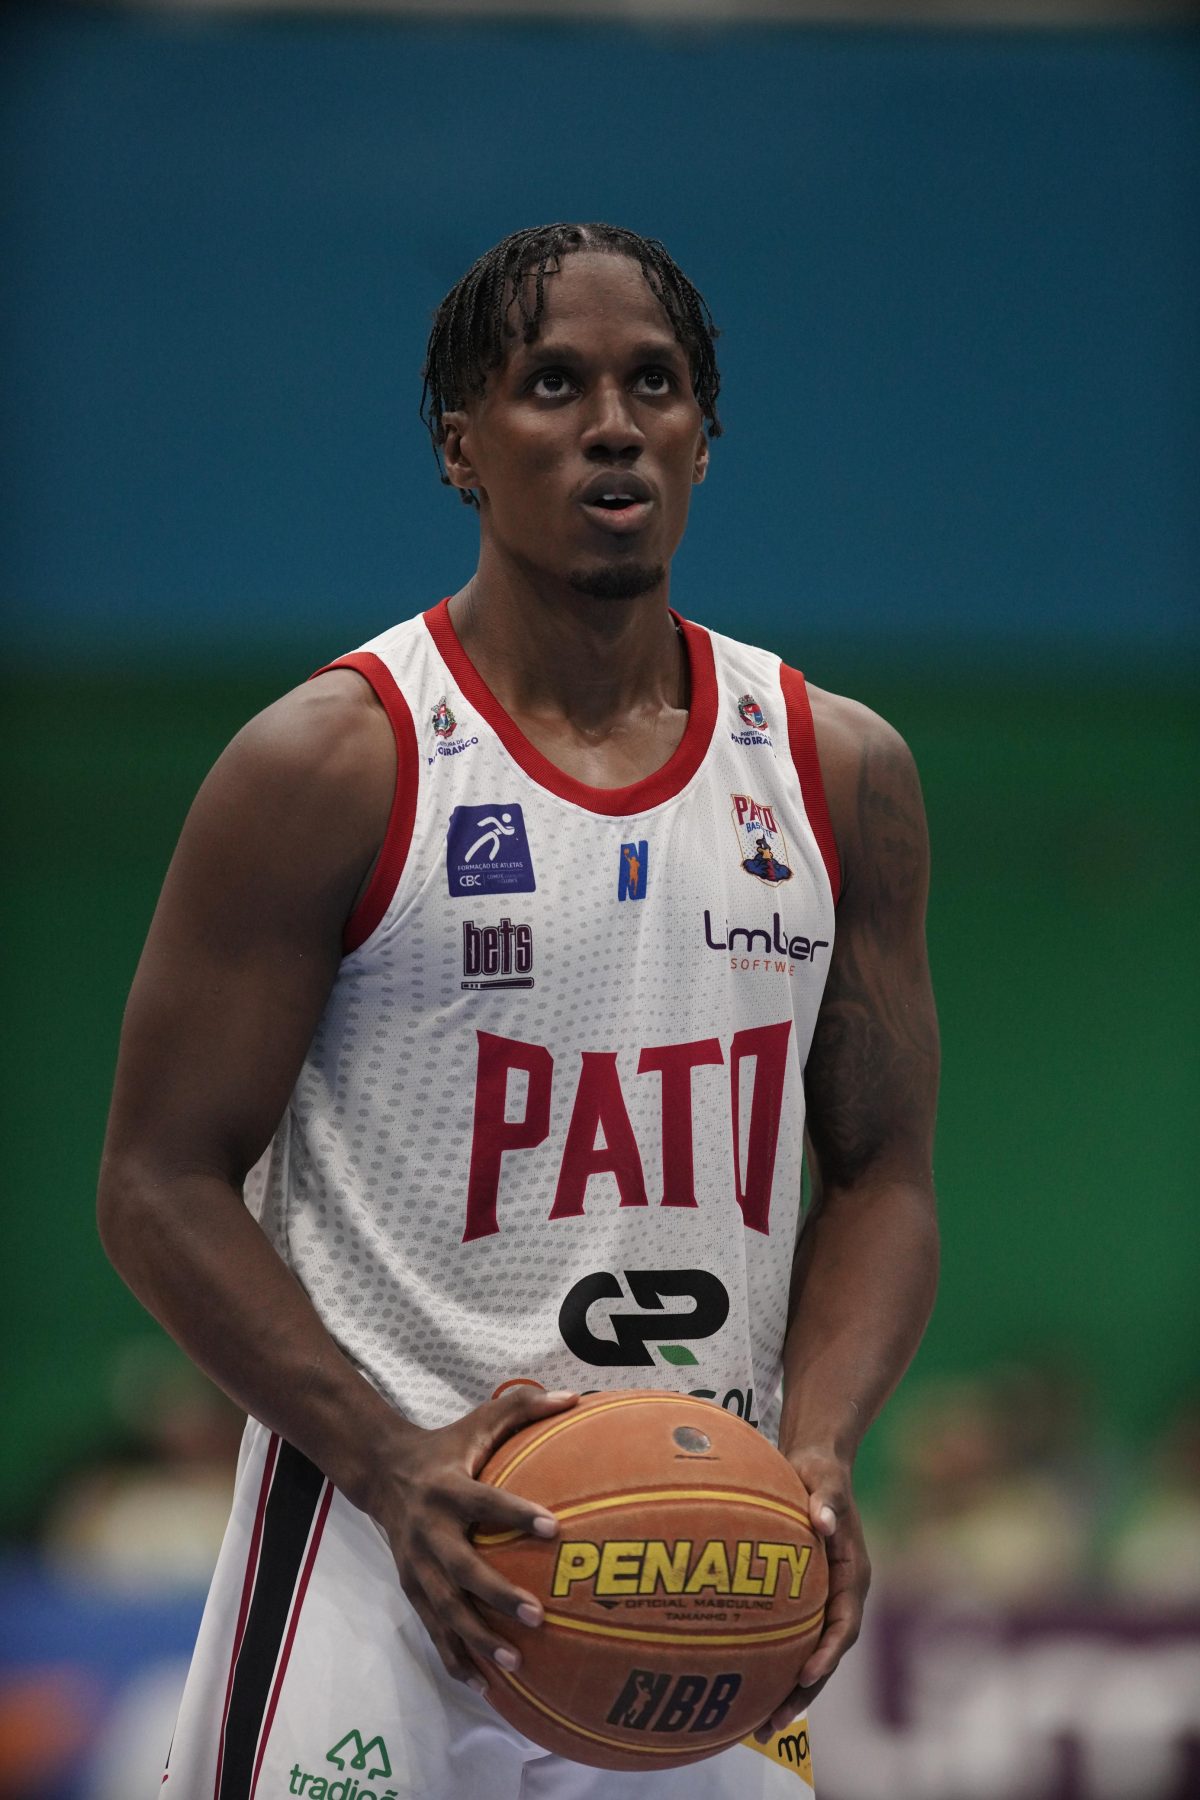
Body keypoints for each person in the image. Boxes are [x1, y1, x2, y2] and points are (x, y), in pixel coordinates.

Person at [97, 221, 940, 1799]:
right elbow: (155, 1184)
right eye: (553, 384)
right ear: (460, 446)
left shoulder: (837, 771)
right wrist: (385, 1458)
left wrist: (820, 1452)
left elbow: (885, 1175)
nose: (613, 424)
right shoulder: (332, 763)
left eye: (654, 384)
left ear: (704, 437)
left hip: (696, 1557)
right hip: (380, 1536)